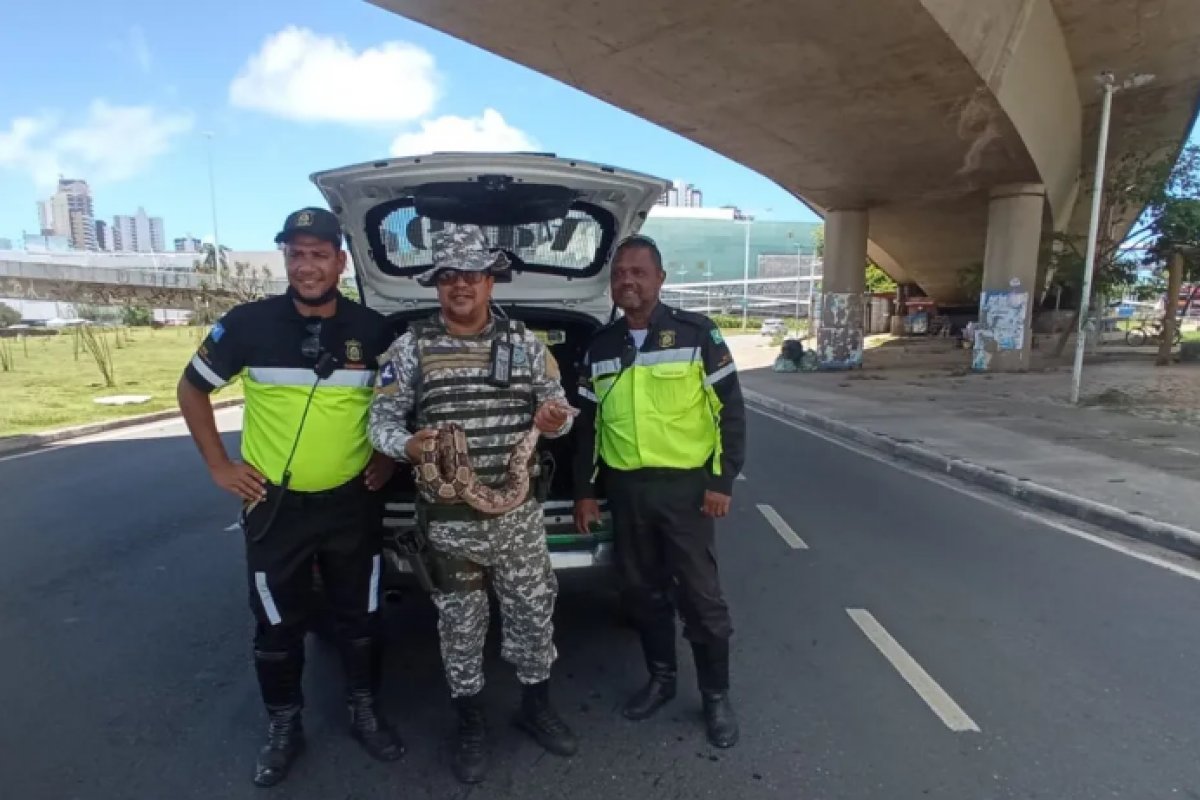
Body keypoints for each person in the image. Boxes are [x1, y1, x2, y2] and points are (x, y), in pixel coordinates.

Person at [176, 207, 404, 787]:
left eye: (318, 254)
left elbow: (402, 403)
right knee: (276, 627)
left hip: (352, 505)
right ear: (285, 258)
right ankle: (284, 726)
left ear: (340, 262)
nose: (306, 266)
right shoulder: (247, 324)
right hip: (274, 509)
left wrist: (384, 458)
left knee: (362, 618)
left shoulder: (375, 331)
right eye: (296, 254)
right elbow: (191, 388)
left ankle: (363, 709)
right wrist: (218, 465)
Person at [368, 225, 579, 784]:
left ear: (491, 281)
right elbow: (380, 423)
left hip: (518, 518)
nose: (460, 285)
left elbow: (559, 407)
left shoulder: (525, 343)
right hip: (450, 523)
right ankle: (470, 722)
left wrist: (556, 420)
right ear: (436, 284)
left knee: (534, 614)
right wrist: (409, 444)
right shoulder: (410, 347)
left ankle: (537, 707)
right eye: (448, 276)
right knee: (460, 625)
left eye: (471, 275)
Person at [572, 234, 746, 749]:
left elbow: (729, 411)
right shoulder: (600, 347)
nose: (627, 280)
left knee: (701, 599)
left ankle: (716, 697)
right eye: (619, 273)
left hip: (687, 491)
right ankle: (662, 681)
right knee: (643, 595)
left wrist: (722, 479)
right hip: (626, 491)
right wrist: (584, 491)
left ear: (660, 279)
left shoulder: (698, 333)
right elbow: (587, 426)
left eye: (638, 272)